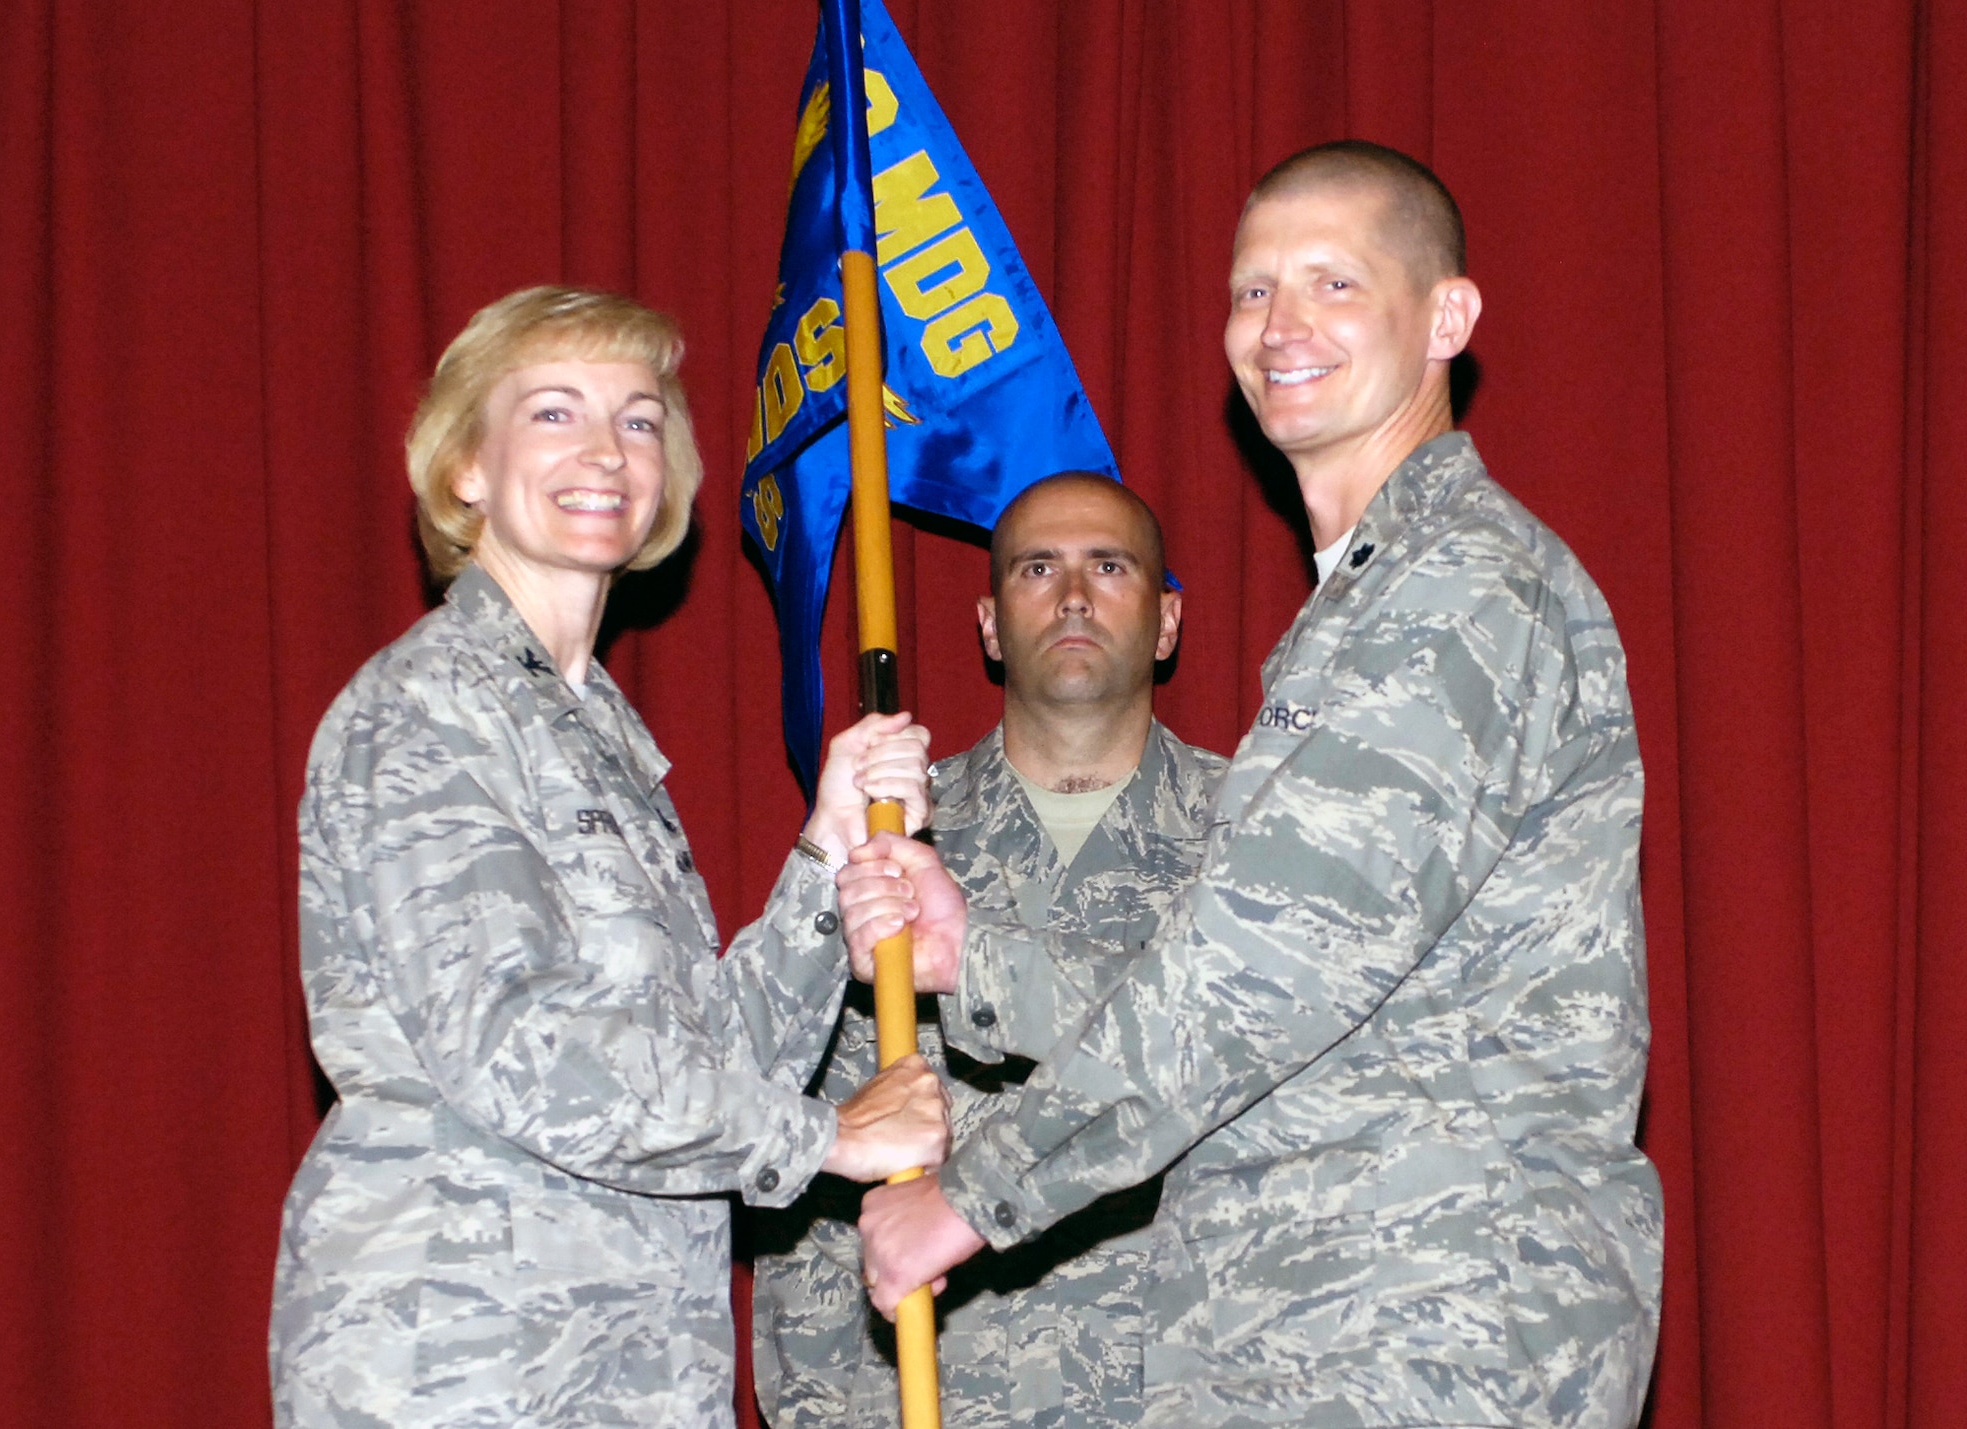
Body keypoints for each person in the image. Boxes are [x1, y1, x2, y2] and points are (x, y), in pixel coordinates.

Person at [841, 141, 1664, 1428]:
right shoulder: (1364, 608)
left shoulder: (1454, 588)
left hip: (1424, 1320)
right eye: (1251, 290)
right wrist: (974, 960)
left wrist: (973, 1195)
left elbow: (1262, 978)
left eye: (1334, 283)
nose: (1280, 327)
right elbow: (1304, 995)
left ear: (1445, 318)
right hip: (1322, 1319)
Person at [269, 285, 950, 1428]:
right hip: (463, 1355)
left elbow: (706, 1060)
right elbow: (518, 1048)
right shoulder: (430, 707)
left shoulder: (597, 734)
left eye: (639, 419)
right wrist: (827, 1138)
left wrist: (825, 860)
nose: (606, 451)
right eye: (554, 412)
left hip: (633, 1365)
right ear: (465, 469)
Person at [752, 473, 1227, 1429]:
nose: (1074, 596)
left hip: (1197, 1393)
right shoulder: (890, 846)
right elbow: (813, 1164)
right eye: (1037, 568)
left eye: (1110, 566)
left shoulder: (1258, 847)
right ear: (989, 624)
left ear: (1168, 621)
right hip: (945, 1395)